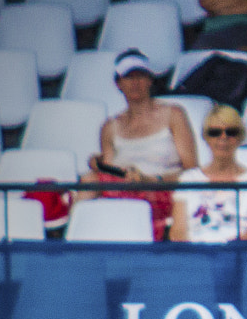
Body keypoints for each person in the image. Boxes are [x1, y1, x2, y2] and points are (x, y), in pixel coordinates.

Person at [82, 50, 197, 236]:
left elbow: (191, 170)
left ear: (150, 80)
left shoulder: (174, 114)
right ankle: (71, 245)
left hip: (161, 189)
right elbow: (111, 170)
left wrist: (152, 180)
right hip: (125, 191)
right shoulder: (111, 126)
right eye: (129, 77)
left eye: (141, 76)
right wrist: (98, 163)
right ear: (119, 84)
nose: (135, 83)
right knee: (89, 179)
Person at [170, 105, 247, 244]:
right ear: (205, 137)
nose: (223, 138)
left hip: (238, 255)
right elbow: (178, 232)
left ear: (241, 137)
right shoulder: (187, 179)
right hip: (195, 257)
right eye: (215, 132)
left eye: (231, 132)